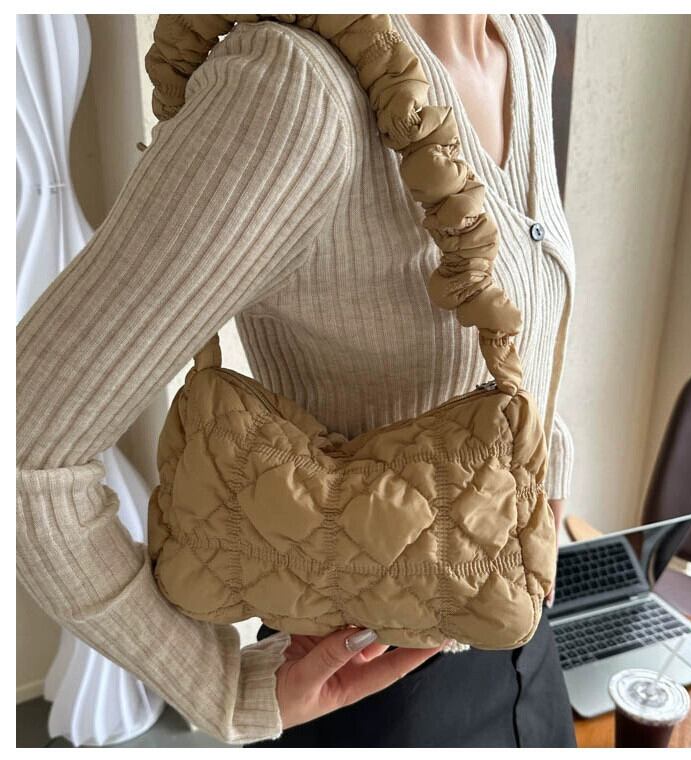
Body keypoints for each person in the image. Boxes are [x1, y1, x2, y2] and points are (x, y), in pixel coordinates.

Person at [16, 13, 576, 747]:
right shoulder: (291, 90)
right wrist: (220, 687)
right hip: (375, 690)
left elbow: (525, 325)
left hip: (518, 626)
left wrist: (548, 474)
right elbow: (25, 451)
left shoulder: (523, 37)